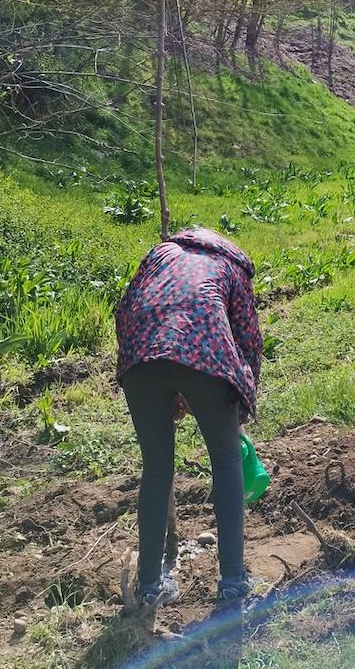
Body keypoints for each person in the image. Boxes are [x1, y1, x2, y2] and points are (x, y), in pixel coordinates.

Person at [115, 227, 262, 612]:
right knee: (227, 458)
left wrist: (165, 385)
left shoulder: (161, 254)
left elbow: (127, 308)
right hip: (203, 355)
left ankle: (149, 587)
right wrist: (238, 403)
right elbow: (248, 340)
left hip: (139, 354)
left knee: (157, 468)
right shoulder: (231, 266)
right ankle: (233, 580)